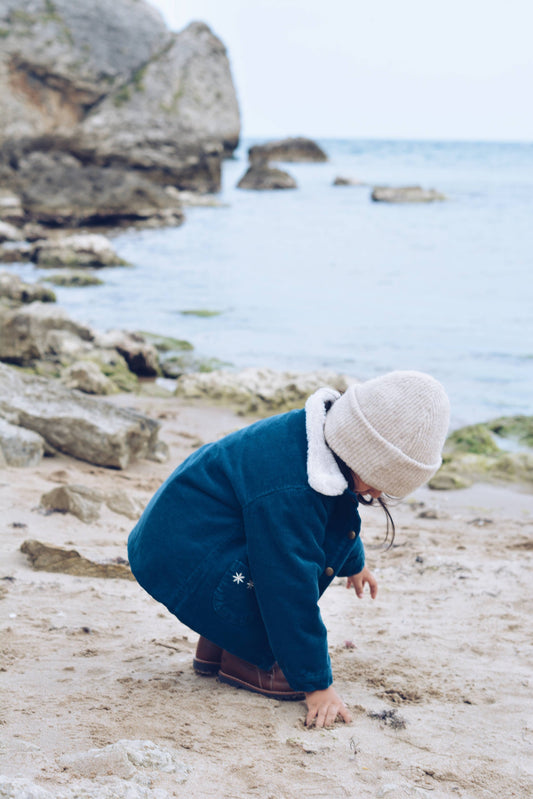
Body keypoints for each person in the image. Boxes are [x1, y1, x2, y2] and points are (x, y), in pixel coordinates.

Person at [128, 370, 450, 728]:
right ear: (361, 450)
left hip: (191, 534)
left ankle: (218, 644)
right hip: (180, 552)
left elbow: (337, 506)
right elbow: (287, 586)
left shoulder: (317, 443)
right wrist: (315, 683)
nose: (375, 494)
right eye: (377, 483)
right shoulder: (291, 491)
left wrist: (354, 563)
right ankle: (245, 660)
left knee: (275, 553)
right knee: (280, 570)